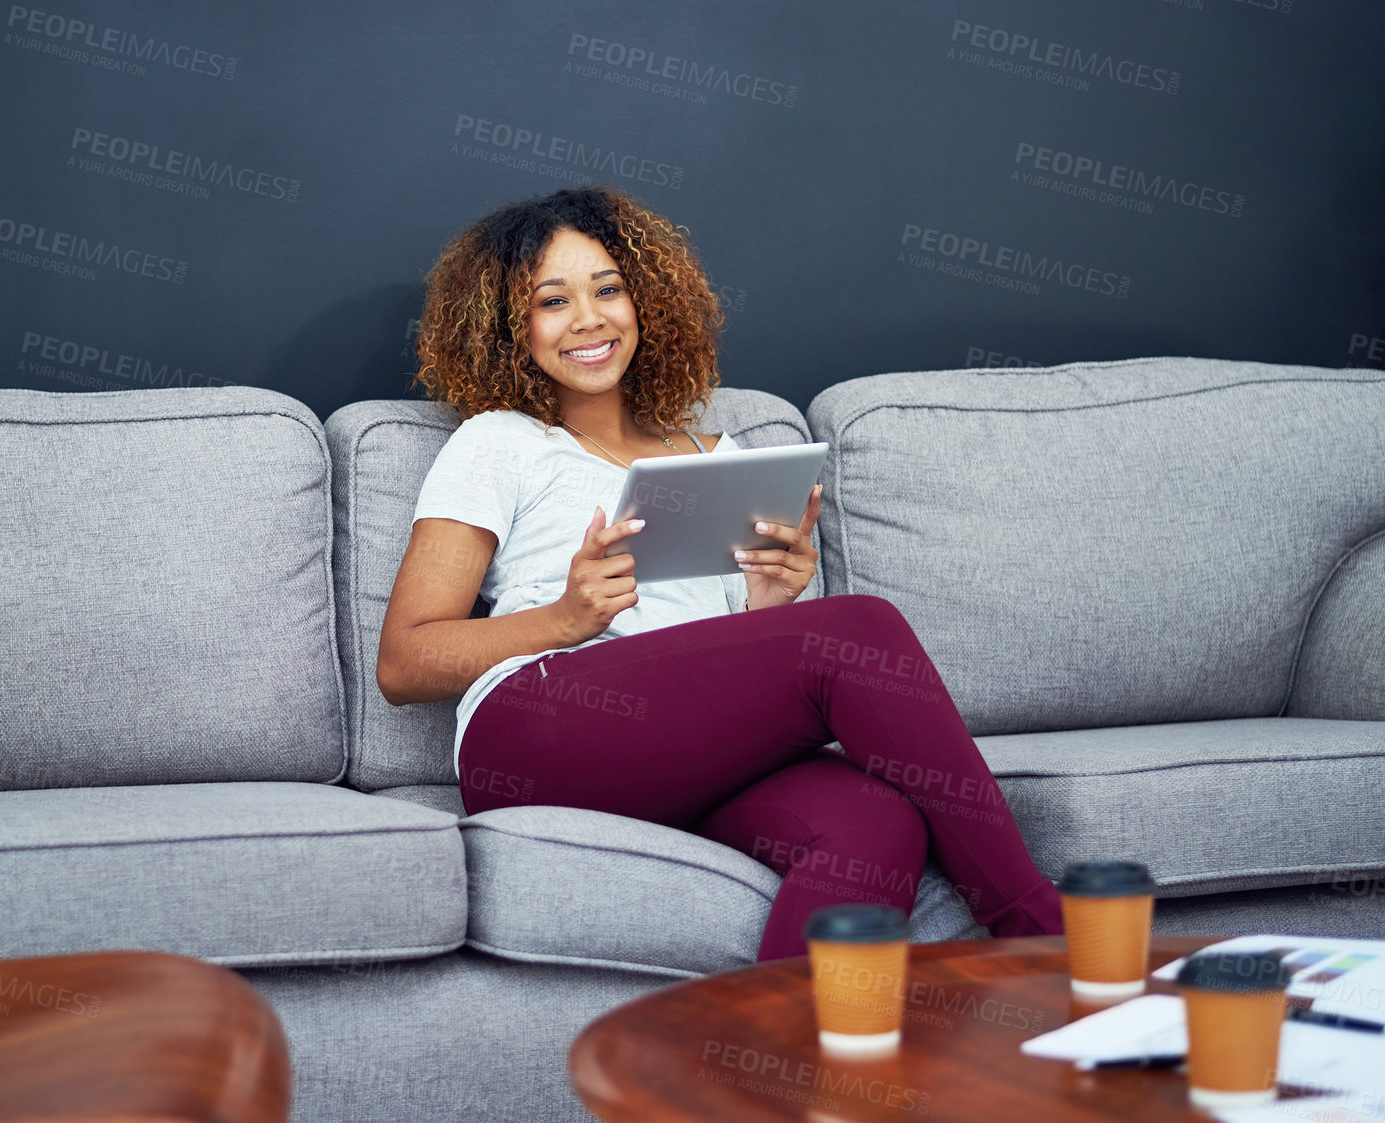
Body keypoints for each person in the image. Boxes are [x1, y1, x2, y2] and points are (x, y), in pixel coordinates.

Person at [375, 184, 1063, 961]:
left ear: (648, 302)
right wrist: (563, 620)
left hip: (674, 754)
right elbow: (402, 663)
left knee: (878, 820)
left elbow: (704, 679)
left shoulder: (721, 457)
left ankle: (784, 1065)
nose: (590, 318)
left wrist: (769, 604)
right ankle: (1043, 938)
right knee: (859, 626)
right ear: (508, 328)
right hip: (537, 730)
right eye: (551, 300)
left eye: (609, 289)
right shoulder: (500, 441)